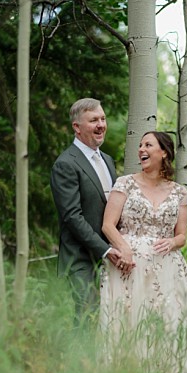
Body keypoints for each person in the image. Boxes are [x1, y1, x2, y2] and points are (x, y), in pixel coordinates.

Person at [100, 131, 187, 373]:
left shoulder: (179, 193)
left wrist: (172, 242)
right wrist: (124, 248)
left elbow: (182, 235)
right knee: (130, 323)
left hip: (167, 269)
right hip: (127, 267)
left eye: (148, 145)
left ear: (163, 153)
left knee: (166, 324)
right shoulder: (124, 184)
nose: (141, 150)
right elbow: (108, 226)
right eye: (140, 145)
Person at [51, 98, 125, 319]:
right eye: (93, 120)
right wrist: (104, 250)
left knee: (112, 319)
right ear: (77, 127)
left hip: (112, 256)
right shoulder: (66, 164)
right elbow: (72, 216)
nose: (101, 124)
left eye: (103, 119)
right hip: (81, 260)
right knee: (87, 318)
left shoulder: (108, 161)